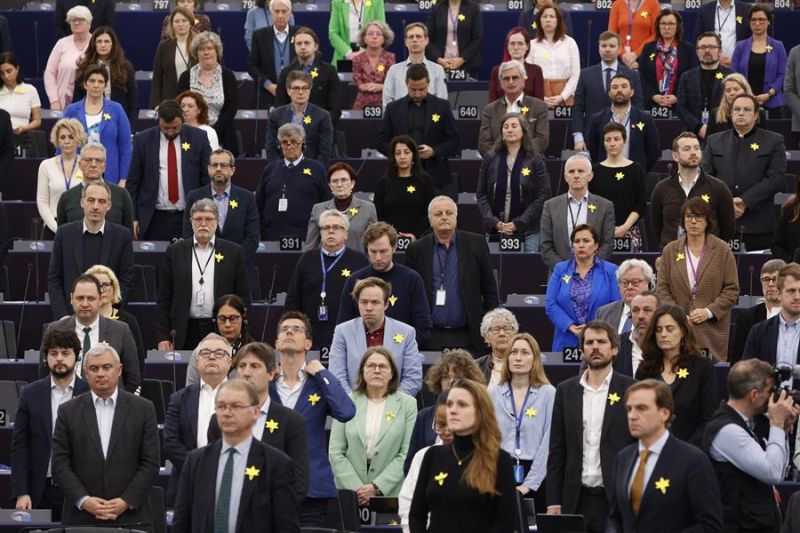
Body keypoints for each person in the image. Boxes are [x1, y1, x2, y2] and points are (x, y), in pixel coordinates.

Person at [51, 345, 158, 531]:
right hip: (81, 519)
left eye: (106, 367)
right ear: (85, 373)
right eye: (94, 368)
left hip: (131, 518)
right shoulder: (68, 411)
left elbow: (150, 463)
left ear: (119, 370)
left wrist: (126, 501)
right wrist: (84, 501)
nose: (100, 373)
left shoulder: (143, 409)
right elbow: (60, 463)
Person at [172, 379, 300, 533]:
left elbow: (286, 527)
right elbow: (181, 523)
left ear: (255, 412)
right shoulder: (196, 461)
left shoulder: (277, 464)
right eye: (221, 406)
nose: (227, 413)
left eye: (236, 406)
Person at [545, 321, 636, 532]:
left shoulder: (631, 389)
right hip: (575, 500)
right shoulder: (565, 390)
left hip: (616, 498)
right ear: (582, 350)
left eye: (602, 342)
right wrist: (553, 501)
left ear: (614, 349)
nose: (595, 347)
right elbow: (557, 451)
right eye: (589, 342)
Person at [271, 311, 356, 525]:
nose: (289, 331)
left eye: (297, 329)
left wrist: (322, 373)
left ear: (308, 344)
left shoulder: (318, 383)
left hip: (311, 490)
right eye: (284, 329)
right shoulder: (265, 384)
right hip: (268, 486)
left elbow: (346, 412)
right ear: (276, 343)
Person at [606, 380, 723, 532]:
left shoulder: (693, 460)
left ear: (664, 413)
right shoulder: (623, 458)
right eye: (629, 409)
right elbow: (615, 517)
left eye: (641, 408)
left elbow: (710, 525)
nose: (632, 416)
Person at [207, 342, 310, 505]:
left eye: (255, 366)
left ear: (272, 373)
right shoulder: (218, 420)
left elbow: (298, 482)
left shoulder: (292, 422)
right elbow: (212, 474)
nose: (246, 373)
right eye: (241, 366)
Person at [409, 378, 516, 533]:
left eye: (462, 404)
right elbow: (416, 515)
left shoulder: (499, 460)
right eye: (450, 404)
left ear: (480, 411)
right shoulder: (432, 455)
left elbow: (505, 523)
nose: (452, 410)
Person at [704, 359, 799, 532]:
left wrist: (782, 429)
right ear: (754, 395)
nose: (774, 397)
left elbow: (780, 467)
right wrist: (777, 422)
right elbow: (773, 473)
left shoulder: (751, 424)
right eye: (771, 391)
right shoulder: (728, 430)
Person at [11, 330, 88, 520]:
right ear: (46, 358)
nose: (59, 358)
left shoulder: (89, 393)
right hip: (40, 490)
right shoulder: (30, 393)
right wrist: (22, 492)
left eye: (65, 353)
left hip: (81, 490)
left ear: (77, 357)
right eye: (53, 353)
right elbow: (20, 447)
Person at [406, 196, 499, 354]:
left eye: (449, 213)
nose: (444, 217)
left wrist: (490, 329)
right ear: (430, 220)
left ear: (456, 217)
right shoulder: (416, 249)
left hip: (469, 336)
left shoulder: (476, 244)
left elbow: (490, 291)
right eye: (438, 213)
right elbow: (410, 294)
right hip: (430, 337)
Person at [157, 199, 250, 351]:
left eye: (209, 219)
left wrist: (242, 334)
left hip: (220, 327)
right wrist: (163, 336)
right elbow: (163, 298)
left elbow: (243, 297)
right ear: (191, 221)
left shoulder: (233, 252)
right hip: (184, 330)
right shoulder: (175, 252)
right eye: (198, 219)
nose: (203, 224)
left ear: (217, 221)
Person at [329, 345, 417, 504]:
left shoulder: (408, 404)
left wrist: (376, 487)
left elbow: (407, 453)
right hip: (350, 494)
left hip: (391, 494)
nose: (377, 370)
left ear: (392, 373)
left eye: (383, 366)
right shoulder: (346, 401)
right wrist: (357, 488)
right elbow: (335, 451)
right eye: (371, 366)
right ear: (362, 371)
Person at [656, 198, 739, 361]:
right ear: (682, 221)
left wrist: (708, 312)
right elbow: (662, 289)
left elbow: (732, 290)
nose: (693, 221)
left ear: (707, 221)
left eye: (698, 217)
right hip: (677, 329)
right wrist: (678, 314)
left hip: (711, 331)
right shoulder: (670, 250)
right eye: (688, 217)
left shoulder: (722, 250)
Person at [702, 93, 786, 251]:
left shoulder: (774, 141)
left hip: (759, 226)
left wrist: (745, 201)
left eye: (747, 110)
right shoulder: (714, 141)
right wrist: (727, 204)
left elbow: (776, 179)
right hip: (720, 224)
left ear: (756, 115)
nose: (741, 113)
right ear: (731, 113)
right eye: (737, 109)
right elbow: (705, 179)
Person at [126, 99, 212, 241]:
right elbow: (133, 182)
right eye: (165, 128)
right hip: (154, 217)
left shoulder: (198, 138)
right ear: (159, 121)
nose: (170, 131)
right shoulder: (143, 140)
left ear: (182, 120)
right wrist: (134, 217)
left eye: (175, 127)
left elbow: (207, 177)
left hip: (189, 215)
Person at [48, 181, 134, 320]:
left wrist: (111, 313)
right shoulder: (64, 233)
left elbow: (126, 280)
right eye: (91, 200)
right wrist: (62, 316)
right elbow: (55, 278)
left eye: (101, 201)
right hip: (70, 318)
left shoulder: (122, 236)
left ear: (109, 205)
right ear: (82, 202)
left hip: (108, 320)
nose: (96, 206)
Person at [163, 333, 233, 506]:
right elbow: (170, 442)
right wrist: (198, 467)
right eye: (205, 353)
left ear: (230, 362)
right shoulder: (179, 398)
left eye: (219, 353)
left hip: (232, 480)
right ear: (197, 361)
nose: (211, 357)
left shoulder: (245, 397)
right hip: (188, 482)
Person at [635, 305, 719, 444]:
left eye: (670, 329)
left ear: (683, 331)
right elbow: (638, 413)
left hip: (691, 453)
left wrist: (685, 451)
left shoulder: (702, 367)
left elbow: (709, 418)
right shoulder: (645, 369)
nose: (663, 334)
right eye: (658, 329)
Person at [337, 222, 433, 343]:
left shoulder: (412, 279)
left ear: (394, 248)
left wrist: (397, 346)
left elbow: (423, 328)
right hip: (363, 354)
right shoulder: (355, 280)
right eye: (373, 251)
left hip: (401, 353)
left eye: (383, 251)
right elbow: (343, 326)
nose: (377, 258)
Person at [490, 333, 554, 513]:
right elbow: (488, 440)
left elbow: (548, 444)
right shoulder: (494, 394)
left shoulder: (549, 394)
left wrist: (529, 484)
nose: (518, 358)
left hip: (539, 476)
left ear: (535, 360)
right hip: (500, 474)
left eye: (525, 352)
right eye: (514, 352)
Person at [42, 274, 140, 392]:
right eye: (80, 298)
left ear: (100, 299)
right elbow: (44, 373)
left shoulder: (120, 330)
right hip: (64, 403)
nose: (85, 304)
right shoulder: (55, 329)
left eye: (90, 298)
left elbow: (133, 378)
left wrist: (116, 405)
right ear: (71, 299)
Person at [287, 210, 369, 349]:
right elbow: (293, 299)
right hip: (310, 335)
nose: (331, 231)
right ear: (320, 233)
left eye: (337, 227)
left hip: (347, 336)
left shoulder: (359, 260)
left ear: (346, 234)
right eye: (326, 228)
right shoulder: (307, 259)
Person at [330, 277, 423, 397]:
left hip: (393, 409)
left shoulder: (407, 332)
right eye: (363, 302)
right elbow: (337, 376)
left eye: (375, 302)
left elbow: (413, 378)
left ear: (386, 304)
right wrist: (354, 404)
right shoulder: (342, 331)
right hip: (353, 408)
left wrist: (390, 403)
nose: (368, 308)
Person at [377, 64, 460, 199]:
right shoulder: (393, 108)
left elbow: (454, 141)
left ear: (428, 83)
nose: (417, 94)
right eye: (413, 89)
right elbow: (381, 142)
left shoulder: (442, 106)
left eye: (422, 89)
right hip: (400, 175)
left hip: (435, 175)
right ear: (406, 84)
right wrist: (401, 154)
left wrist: (434, 151)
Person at [479, 105, 552, 250]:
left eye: (514, 126)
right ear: (501, 132)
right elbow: (481, 194)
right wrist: (493, 221)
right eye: (506, 127)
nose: (509, 129)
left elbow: (542, 196)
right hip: (495, 230)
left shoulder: (535, 160)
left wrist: (518, 223)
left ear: (523, 131)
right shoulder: (490, 158)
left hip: (528, 231)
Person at [183, 148, 260, 279]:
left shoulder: (247, 198)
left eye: (223, 165)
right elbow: (188, 235)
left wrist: (232, 261)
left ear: (232, 170)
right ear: (208, 169)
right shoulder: (194, 197)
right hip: (203, 269)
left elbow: (252, 238)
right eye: (214, 165)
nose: (218, 169)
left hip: (238, 271)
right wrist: (208, 260)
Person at [650, 131, 736, 249]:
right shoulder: (662, 188)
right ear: (675, 156)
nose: (693, 152)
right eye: (687, 149)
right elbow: (656, 227)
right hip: (673, 258)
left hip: (707, 258)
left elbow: (728, 228)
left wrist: (713, 250)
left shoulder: (718, 187)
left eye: (696, 148)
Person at [405, 350, 484, 474]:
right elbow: (410, 463)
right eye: (446, 377)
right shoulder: (424, 416)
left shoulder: (479, 415)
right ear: (439, 380)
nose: (450, 382)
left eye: (457, 378)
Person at [545, 224, 621, 352]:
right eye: (577, 241)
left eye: (586, 241)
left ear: (596, 245)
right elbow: (550, 305)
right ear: (572, 246)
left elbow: (616, 305)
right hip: (566, 339)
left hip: (599, 339)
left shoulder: (611, 270)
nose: (581, 245)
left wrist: (593, 328)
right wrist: (571, 327)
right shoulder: (560, 269)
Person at [539, 155, 616, 271]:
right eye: (571, 171)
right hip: (561, 276)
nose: (576, 175)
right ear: (565, 177)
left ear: (590, 176)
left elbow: (607, 244)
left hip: (594, 274)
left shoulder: (605, 206)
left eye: (580, 171)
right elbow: (545, 246)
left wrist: (588, 268)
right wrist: (565, 269)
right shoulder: (550, 206)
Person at [256, 123, 330, 240]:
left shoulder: (317, 169)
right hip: (272, 236)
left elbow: (327, 203)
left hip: (307, 237)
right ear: (279, 146)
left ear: (302, 144)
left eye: (294, 141)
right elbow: (258, 204)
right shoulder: (270, 169)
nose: (289, 146)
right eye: (285, 142)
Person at [572, 31, 644, 151]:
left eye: (612, 46)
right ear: (599, 48)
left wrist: (634, 133)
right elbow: (578, 108)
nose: (607, 49)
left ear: (619, 48)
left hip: (623, 137)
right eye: (604, 46)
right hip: (592, 138)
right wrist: (578, 137)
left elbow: (638, 106)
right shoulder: (586, 75)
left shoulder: (632, 75)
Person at [64, 64, 132, 186]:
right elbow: (61, 146)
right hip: (76, 176)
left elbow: (126, 147)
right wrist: (64, 175)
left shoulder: (117, 109)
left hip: (110, 178)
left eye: (100, 82)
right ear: (85, 84)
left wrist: (123, 179)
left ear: (105, 86)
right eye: (92, 81)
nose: (96, 85)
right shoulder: (71, 110)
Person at [586, 74, 660, 174]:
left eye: (624, 86)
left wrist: (641, 171)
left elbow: (654, 151)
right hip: (605, 176)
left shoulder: (645, 119)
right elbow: (593, 151)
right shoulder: (597, 120)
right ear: (609, 93)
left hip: (635, 179)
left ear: (632, 92)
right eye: (615, 87)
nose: (619, 90)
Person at [177, 31, 238, 152]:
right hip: (191, 135)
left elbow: (231, 108)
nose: (206, 52)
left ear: (217, 52)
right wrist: (197, 130)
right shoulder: (185, 76)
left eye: (210, 48)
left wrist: (213, 131)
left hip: (223, 135)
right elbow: (180, 106)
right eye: (201, 49)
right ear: (196, 53)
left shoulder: (228, 76)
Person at [588, 123, 646, 251]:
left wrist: (625, 227)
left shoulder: (636, 169)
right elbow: (590, 203)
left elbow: (640, 203)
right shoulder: (595, 171)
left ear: (624, 141)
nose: (612, 143)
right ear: (603, 143)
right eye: (608, 140)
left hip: (630, 232)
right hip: (600, 233)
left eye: (616, 139)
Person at [400, 395, 453, 533]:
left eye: (451, 424)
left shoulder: (489, 458)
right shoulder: (423, 456)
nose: (446, 431)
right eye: (440, 425)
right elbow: (408, 502)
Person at [55, 142, 134, 233]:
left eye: (98, 160)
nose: (93, 164)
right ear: (80, 165)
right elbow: (62, 235)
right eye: (88, 160)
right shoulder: (66, 197)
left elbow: (128, 234)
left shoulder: (121, 195)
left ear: (104, 166)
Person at [478, 61, 549, 158]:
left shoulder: (538, 106)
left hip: (530, 163)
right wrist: (504, 158)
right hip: (498, 164)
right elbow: (484, 144)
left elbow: (542, 140)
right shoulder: (490, 110)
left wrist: (519, 156)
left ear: (523, 81)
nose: (510, 82)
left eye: (515, 78)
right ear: (501, 83)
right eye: (506, 78)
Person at [304, 162, 378, 252]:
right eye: (335, 181)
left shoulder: (368, 209)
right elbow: (310, 247)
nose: (339, 184)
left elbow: (374, 245)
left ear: (352, 183)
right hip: (327, 265)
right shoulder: (318, 210)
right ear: (330, 186)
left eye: (344, 180)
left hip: (358, 264)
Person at [84, 264, 145, 374]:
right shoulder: (80, 320)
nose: (101, 290)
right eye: (96, 285)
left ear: (114, 288)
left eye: (106, 285)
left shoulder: (128, 321)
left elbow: (138, 362)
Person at [72, 27, 138, 128]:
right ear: (94, 44)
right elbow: (77, 101)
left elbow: (133, 104)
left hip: (118, 121)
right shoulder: (84, 67)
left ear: (113, 44)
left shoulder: (125, 68)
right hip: (90, 122)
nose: (103, 45)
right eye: (99, 41)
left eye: (107, 41)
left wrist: (130, 130)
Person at [265, 70, 333, 166]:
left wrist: (313, 171)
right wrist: (280, 170)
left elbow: (325, 152)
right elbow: (271, 149)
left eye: (305, 88)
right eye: (296, 88)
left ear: (310, 90)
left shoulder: (323, 116)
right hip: (282, 171)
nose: (301, 92)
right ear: (288, 91)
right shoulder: (276, 115)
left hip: (311, 171)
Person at [276, 27, 342, 125]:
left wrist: (322, 128)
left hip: (322, 131)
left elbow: (335, 108)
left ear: (316, 46)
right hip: (293, 134)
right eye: (299, 43)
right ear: (294, 47)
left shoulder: (329, 71)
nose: (303, 47)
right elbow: (280, 106)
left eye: (307, 43)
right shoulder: (286, 73)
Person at [374, 135, 436, 240]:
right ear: (393, 157)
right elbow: (378, 213)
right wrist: (389, 234)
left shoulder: (425, 180)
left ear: (413, 156)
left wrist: (416, 235)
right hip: (390, 239)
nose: (402, 156)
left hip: (419, 239)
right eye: (398, 153)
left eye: (406, 152)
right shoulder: (384, 182)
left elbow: (430, 213)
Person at [185, 294, 254, 386]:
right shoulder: (202, 351)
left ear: (243, 319)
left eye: (233, 318)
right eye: (222, 318)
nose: (228, 324)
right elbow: (190, 390)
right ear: (215, 321)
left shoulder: (254, 352)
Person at [731, 5, 787, 118]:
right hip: (745, 102)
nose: (757, 23)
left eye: (761, 19)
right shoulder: (740, 46)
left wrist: (769, 93)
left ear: (769, 22)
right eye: (754, 20)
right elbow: (734, 73)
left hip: (773, 103)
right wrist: (747, 94)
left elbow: (783, 74)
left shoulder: (778, 46)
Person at [638, 10, 697, 115]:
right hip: (652, 106)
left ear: (677, 26)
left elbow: (692, 77)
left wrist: (677, 96)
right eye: (663, 23)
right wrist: (653, 96)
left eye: (671, 24)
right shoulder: (648, 48)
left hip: (680, 106)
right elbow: (642, 76)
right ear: (658, 26)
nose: (667, 27)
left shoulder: (688, 49)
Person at [676, 32, 733, 140]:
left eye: (711, 47)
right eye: (702, 47)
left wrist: (713, 128)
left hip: (723, 134)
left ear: (719, 51)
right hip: (691, 134)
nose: (707, 51)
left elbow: (733, 106)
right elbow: (681, 107)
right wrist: (698, 127)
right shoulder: (687, 77)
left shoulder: (731, 76)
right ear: (697, 52)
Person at [743, 263, 800, 367]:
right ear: (779, 293)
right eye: (791, 291)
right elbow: (747, 375)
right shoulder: (758, 331)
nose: (797, 296)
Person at [36, 118, 85, 237]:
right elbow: (42, 201)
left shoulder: (87, 164)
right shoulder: (46, 165)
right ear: (57, 140)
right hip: (53, 228)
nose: (66, 141)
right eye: (62, 137)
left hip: (81, 228)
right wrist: (56, 229)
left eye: (71, 137)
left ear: (78, 139)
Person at [730, 259, 785, 362]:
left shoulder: (795, 317)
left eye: (775, 279)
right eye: (766, 279)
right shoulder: (746, 318)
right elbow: (737, 360)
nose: (770, 284)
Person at [382, 22, 448, 108]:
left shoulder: (437, 70)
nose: (414, 40)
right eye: (411, 37)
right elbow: (387, 102)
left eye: (418, 36)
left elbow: (441, 101)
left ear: (426, 40)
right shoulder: (394, 70)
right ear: (406, 42)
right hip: (400, 119)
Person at [527, 5, 579, 108]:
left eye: (552, 16)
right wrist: (541, 97)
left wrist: (562, 96)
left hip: (565, 95)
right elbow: (528, 75)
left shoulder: (570, 43)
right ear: (539, 21)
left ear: (558, 20)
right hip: (539, 96)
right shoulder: (532, 45)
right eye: (544, 16)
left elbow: (575, 74)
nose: (548, 19)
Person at [247, 0, 296, 108]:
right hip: (267, 94)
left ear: (290, 13)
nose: (280, 15)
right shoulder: (259, 36)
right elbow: (252, 66)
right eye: (276, 11)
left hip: (295, 95)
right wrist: (269, 85)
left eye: (284, 11)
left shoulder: (299, 34)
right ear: (271, 13)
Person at [44, 6, 92, 111]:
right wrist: (54, 100)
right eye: (72, 20)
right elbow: (49, 73)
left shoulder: (96, 43)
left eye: (80, 19)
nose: (76, 23)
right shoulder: (62, 43)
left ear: (89, 23)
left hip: (91, 102)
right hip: (63, 103)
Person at [151, 7, 197, 108]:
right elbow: (157, 77)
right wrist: (156, 103)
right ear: (172, 24)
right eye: (177, 21)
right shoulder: (164, 46)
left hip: (194, 101)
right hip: (169, 101)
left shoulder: (198, 45)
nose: (180, 24)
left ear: (190, 23)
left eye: (184, 21)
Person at [595, 258, 655, 335]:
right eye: (625, 282)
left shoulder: (659, 311)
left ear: (649, 284)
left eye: (635, 282)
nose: (629, 287)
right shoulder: (603, 313)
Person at [425, 0, 483, 78]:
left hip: (467, 65)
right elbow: (429, 38)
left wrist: (462, 59)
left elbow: (477, 38)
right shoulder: (436, 8)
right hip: (440, 65)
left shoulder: (473, 8)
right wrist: (439, 59)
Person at [488, 27, 544, 102]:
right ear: (507, 46)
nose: (516, 47)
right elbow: (492, 103)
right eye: (512, 43)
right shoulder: (497, 71)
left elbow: (539, 103)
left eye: (520, 43)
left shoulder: (536, 71)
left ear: (527, 46)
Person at [328, 0, 386, 69]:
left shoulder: (376, 2)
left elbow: (381, 31)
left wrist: (364, 51)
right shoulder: (338, 2)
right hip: (344, 55)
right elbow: (333, 33)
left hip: (370, 54)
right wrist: (348, 53)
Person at [352, 22, 396, 110]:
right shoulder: (357, 59)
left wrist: (379, 86)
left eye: (379, 34)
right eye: (370, 34)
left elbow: (392, 82)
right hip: (362, 102)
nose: (374, 37)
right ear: (364, 38)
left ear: (384, 39)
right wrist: (363, 86)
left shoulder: (390, 57)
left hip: (384, 100)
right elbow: (357, 80)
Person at [693, 0, 751, 66]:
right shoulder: (705, 10)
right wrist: (715, 58)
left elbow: (751, 39)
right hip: (712, 64)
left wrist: (735, 60)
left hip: (737, 65)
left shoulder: (746, 9)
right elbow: (698, 39)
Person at [0, 52, 42, 141]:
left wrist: (24, 128)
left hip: (22, 137)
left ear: (17, 69)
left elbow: (37, 121)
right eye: (2, 73)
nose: (6, 76)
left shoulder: (30, 90)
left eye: (9, 71)